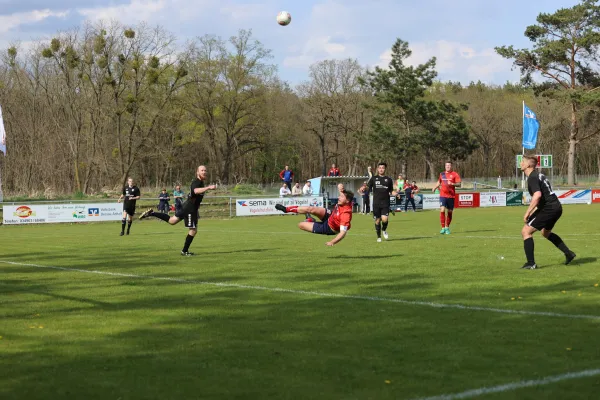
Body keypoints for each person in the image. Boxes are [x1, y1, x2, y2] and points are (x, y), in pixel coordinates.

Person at [139, 165, 217, 256]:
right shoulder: (197, 182)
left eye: (205, 170)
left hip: (188, 206)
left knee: (172, 221)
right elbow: (195, 191)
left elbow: (194, 195)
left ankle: (152, 213)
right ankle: (184, 251)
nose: (204, 172)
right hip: (190, 209)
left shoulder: (201, 182)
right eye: (202, 170)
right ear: (197, 172)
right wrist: (208, 188)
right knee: (193, 230)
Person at [520, 156, 576, 269]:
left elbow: (537, 195)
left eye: (523, 162)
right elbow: (543, 197)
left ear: (528, 165)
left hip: (549, 208)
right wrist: (534, 211)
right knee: (545, 233)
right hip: (556, 207)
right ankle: (569, 253)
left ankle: (531, 263)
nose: (520, 163)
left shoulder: (532, 177)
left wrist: (527, 212)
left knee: (526, 231)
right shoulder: (538, 175)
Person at [275, 186, 354, 246]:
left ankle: (310, 220)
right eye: (339, 195)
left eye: (341, 197)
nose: (338, 197)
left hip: (330, 228)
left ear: (347, 201)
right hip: (330, 216)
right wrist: (340, 187)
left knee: (300, 225)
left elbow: (343, 233)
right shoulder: (345, 201)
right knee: (311, 209)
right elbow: (341, 190)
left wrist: (332, 242)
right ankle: (286, 209)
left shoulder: (345, 214)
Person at [367, 162, 396, 242]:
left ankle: (384, 230)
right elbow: (368, 187)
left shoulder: (389, 179)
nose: (381, 169)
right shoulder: (373, 178)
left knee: (385, 219)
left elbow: (391, 191)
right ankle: (379, 237)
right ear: (377, 169)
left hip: (386, 203)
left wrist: (395, 193)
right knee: (377, 220)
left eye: (383, 168)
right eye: (380, 168)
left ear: (385, 169)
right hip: (376, 203)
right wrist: (363, 189)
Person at [432, 161, 461, 235]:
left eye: (449, 165)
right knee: (442, 209)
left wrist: (452, 184)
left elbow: (459, 184)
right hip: (443, 195)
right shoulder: (442, 174)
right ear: (445, 166)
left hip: (451, 196)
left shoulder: (455, 174)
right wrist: (435, 187)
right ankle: (442, 228)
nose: (448, 166)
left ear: (451, 166)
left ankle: (447, 227)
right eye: (446, 165)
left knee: (450, 212)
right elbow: (439, 181)